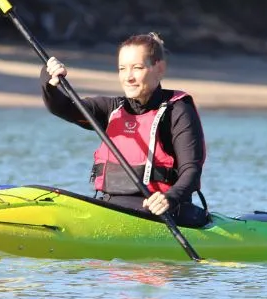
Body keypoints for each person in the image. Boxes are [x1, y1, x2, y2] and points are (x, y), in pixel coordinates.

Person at [40, 32, 210, 228]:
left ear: (159, 68)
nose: (128, 77)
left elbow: (191, 170)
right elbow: (63, 107)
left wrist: (170, 197)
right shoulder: (111, 109)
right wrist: (48, 80)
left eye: (137, 68)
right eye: (122, 69)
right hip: (110, 208)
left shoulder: (178, 110)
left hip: (163, 213)